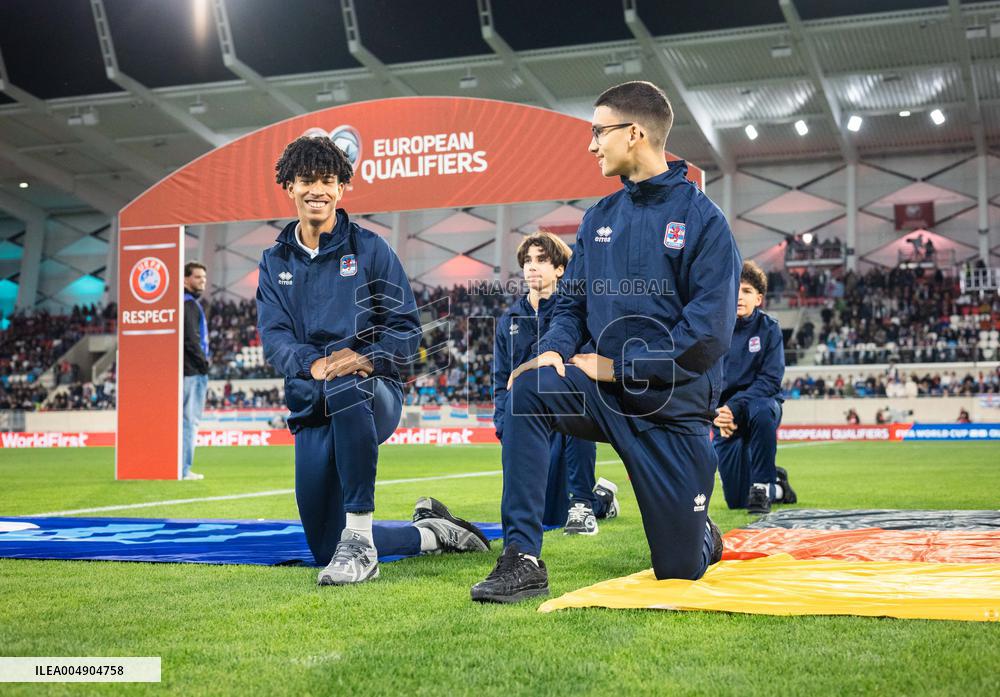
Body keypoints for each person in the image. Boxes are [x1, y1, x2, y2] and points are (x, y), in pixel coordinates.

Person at [471, 81, 738, 603]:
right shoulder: (598, 219)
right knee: (529, 391)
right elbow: (571, 305)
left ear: (634, 133)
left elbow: (707, 334)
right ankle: (522, 558)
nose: (591, 145)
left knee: (679, 570)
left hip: (670, 407)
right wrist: (552, 349)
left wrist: (620, 367)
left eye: (599, 132)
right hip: (602, 393)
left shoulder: (704, 221)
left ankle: (700, 533)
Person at [257, 135, 489, 586]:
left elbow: (407, 330)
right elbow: (274, 336)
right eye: (306, 180)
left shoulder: (370, 249)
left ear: (342, 187)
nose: (317, 190)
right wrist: (312, 365)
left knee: (346, 381)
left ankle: (361, 541)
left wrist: (364, 358)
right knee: (324, 546)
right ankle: (434, 534)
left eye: (328, 180)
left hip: (372, 393)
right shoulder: (273, 261)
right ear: (289, 186)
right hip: (310, 402)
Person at [493, 232, 618, 536]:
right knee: (550, 514)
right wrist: (503, 424)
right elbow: (500, 378)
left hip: (566, 420)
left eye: (541, 260)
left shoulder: (573, 315)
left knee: (569, 506)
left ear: (560, 269)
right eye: (527, 261)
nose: (531, 266)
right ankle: (603, 499)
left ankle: (584, 503)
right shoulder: (508, 320)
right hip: (527, 420)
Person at [712, 261, 796, 515]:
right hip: (726, 418)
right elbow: (704, 379)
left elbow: (770, 381)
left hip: (760, 408)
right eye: (735, 290)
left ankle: (762, 485)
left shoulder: (769, 328)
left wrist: (732, 407)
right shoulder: (714, 330)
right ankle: (779, 487)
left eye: (747, 291)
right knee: (737, 501)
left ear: (758, 299)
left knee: (761, 409)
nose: (739, 296)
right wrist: (716, 414)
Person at [182, 261, 209, 481]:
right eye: (198, 277)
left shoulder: (184, 303)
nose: (203, 281)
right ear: (185, 279)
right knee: (189, 422)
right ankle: (183, 469)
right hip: (192, 371)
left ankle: (179, 467)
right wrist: (204, 364)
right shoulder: (189, 304)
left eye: (204, 277)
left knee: (186, 421)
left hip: (187, 370)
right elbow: (191, 340)